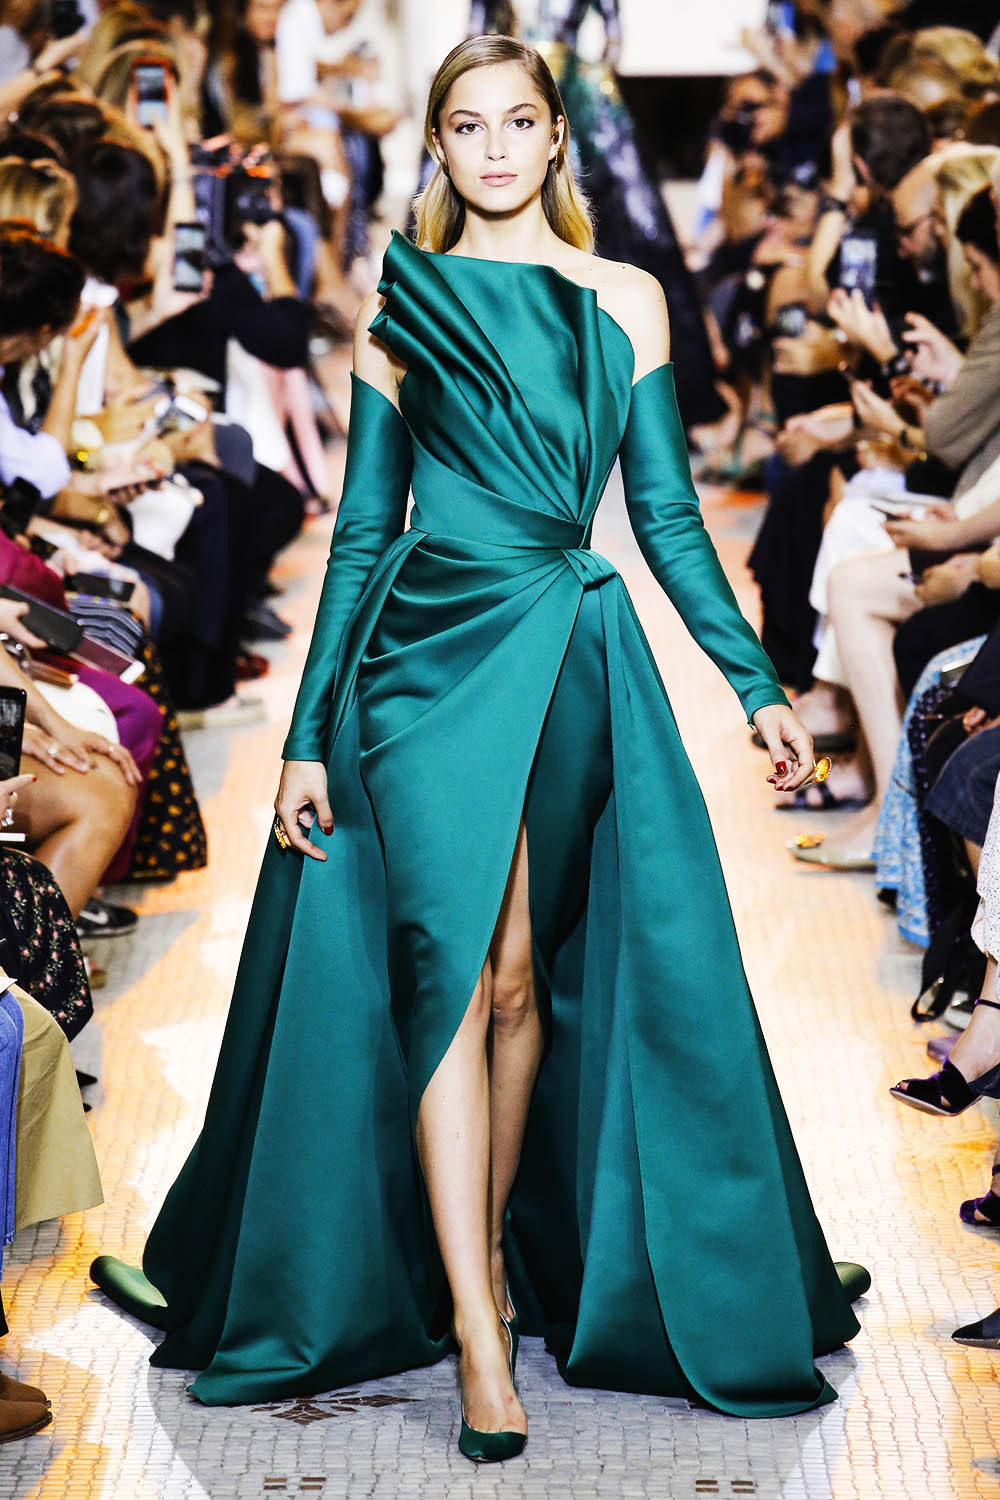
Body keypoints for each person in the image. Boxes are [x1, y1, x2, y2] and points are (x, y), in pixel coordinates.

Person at [91, 33, 865, 1461]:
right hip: (421, 657)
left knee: (518, 980)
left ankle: (493, 1254)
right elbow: (363, 528)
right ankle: (472, 1326)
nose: (496, 148)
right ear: (438, 145)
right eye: (468, 125)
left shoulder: (626, 298)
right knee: (452, 972)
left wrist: (755, 682)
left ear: (557, 138)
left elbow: (668, 514)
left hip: (565, 648)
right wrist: (306, 735)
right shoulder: (403, 306)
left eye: (519, 123)